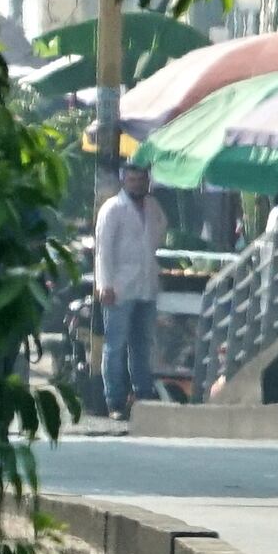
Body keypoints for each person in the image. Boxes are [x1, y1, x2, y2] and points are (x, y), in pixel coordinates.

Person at [90, 160, 166, 421]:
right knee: (115, 345)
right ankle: (115, 400)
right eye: (133, 180)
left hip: (146, 285)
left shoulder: (153, 206)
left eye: (142, 180)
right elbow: (103, 251)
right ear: (125, 181)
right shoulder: (112, 208)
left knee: (142, 344)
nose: (138, 184)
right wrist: (105, 285)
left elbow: (160, 232)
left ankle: (143, 395)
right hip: (118, 287)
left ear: (148, 182)